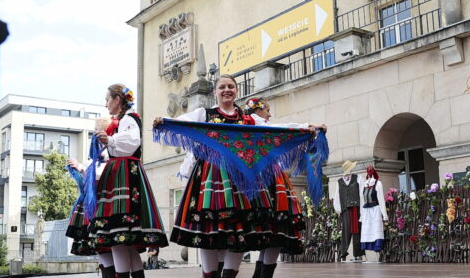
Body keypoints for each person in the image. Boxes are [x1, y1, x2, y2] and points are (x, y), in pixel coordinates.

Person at [154, 75, 312, 278]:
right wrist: (164, 121)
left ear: (237, 91)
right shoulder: (205, 114)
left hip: (239, 181)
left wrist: (305, 127)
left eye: (230, 86)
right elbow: (184, 122)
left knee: (239, 230)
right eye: (222, 87)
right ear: (215, 92)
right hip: (211, 178)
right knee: (208, 230)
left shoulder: (248, 118)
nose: (226, 90)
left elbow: (274, 129)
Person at [89, 84, 168, 278]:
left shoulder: (129, 118)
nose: (106, 104)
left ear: (117, 100)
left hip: (124, 174)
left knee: (117, 234)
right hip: (121, 173)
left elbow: (133, 141)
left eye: (107, 99)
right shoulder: (124, 120)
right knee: (123, 237)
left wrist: (110, 140)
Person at [242, 97, 326, 278]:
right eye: (267, 110)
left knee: (271, 233)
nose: (270, 114)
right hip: (266, 180)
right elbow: (281, 129)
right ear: (258, 110)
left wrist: (306, 126)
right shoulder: (254, 123)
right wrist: (306, 126)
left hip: (266, 179)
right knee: (276, 231)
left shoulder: (254, 123)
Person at [67, 117, 115, 278]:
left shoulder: (108, 154)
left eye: (96, 129)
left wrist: (80, 168)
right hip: (96, 204)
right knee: (99, 247)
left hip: (101, 204)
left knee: (103, 245)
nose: (94, 133)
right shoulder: (99, 156)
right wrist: (80, 168)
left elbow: (98, 174)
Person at [333, 160, 365, 262]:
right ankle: (343, 254)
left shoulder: (358, 178)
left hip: (356, 208)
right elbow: (336, 197)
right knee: (346, 231)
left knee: (357, 231)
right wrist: (339, 210)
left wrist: (363, 208)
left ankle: (358, 254)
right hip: (345, 209)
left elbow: (362, 194)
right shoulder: (339, 182)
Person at [359, 165, 387, 255]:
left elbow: (381, 199)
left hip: (375, 209)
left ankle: (377, 247)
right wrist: (361, 215)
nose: (369, 172)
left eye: (371, 170)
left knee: (376, 229)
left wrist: (384, 214)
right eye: (368, 171)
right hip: (366, 211)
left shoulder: (378, 183)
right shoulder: (364, 184)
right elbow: (362, 201)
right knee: (367, 230)